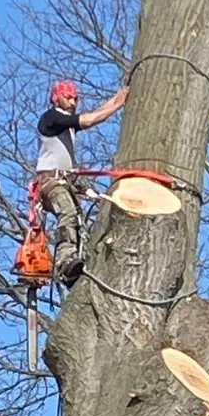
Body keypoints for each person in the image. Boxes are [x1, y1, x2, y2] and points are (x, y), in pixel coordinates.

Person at [36, 79, 128, 286]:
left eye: (75, 98)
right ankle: (64, 261)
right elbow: (88, 120)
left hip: (64, 181)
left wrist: (120, 95)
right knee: (67, 213)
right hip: (50, 181)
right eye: (68, 97)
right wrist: (118, 104)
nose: (73, 101)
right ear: (56, 98)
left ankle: (79, 264)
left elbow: (95, 112)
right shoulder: (52, 118)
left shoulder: (66, 124)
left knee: (79, 222)